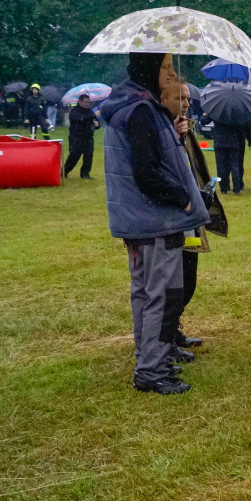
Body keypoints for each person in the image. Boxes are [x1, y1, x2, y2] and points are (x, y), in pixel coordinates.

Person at [100, 53, 211, 395]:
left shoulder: (132, 104)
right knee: (162, 295)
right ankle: (152, 370)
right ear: (147, 69)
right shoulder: (141, 110)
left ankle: (150, 358)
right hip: (154, 220)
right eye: (164, 68)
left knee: (145, 294)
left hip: (137, 220)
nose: (170, 73)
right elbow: (147, 172)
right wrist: (184, 197)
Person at [174, 81, 228, 350]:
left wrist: (183, 136)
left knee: (188, 279)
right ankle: (165, 336)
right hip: (175, 219)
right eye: (179, 98)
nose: (185, 103)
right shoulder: (160, 130)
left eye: (187, 99)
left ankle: (172, 329)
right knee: (175, 282)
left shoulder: (183, 129)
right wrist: (174, 137)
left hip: (192, 218)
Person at [64, 94, 100, 179]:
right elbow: (81, 119)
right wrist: (93, 115)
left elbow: (96, 122)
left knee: (88, 156)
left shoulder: (90, 112)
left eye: (89, 102)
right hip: (77, 137)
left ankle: (85, 173)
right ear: (79, 101)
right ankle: (65, 171)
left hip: (89, 137)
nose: (87, 104)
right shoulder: (74, 111)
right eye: (85, 102)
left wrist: (97, 124)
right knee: (74, 156)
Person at [211, 118, 245, 195]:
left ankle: (224, 188)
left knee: (221, 166)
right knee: (234, 166)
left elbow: (204, 121)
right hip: (233, 142)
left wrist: (205, 115)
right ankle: (237, 188)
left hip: (219, 142)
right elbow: (241, 128)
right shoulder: (236, 113)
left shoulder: (216, 111)